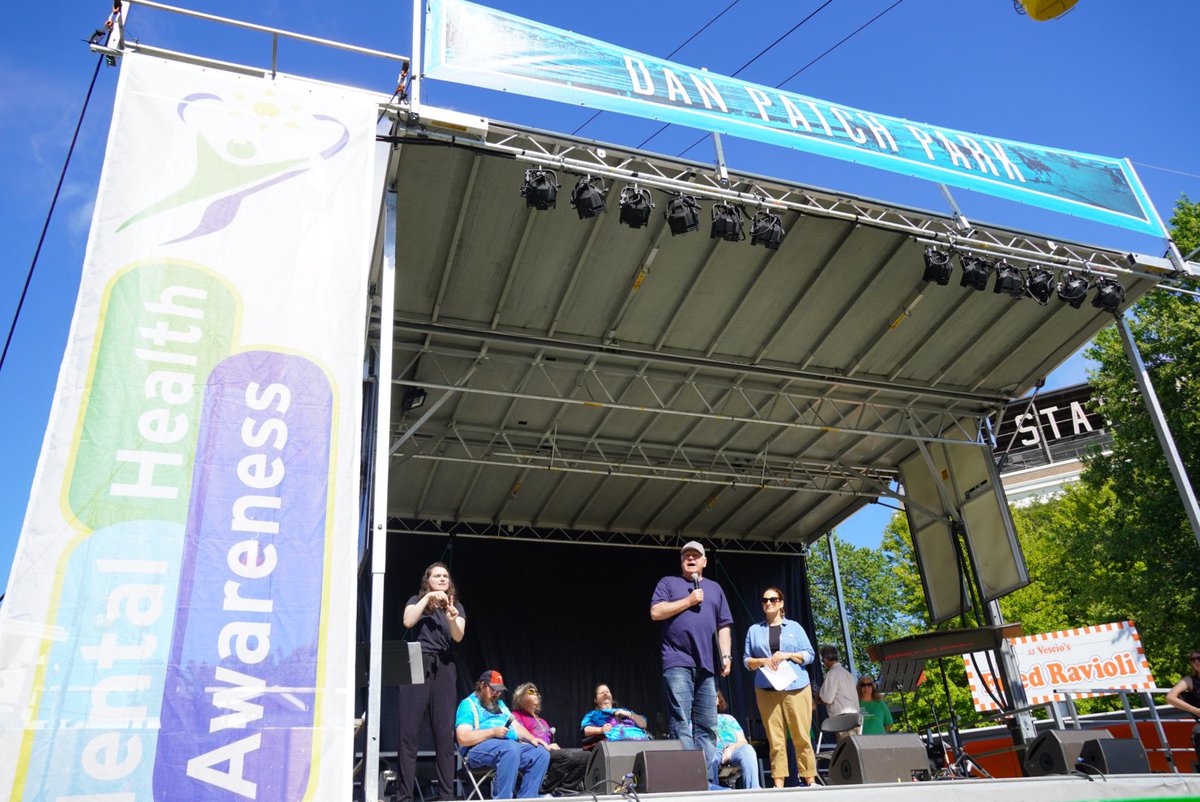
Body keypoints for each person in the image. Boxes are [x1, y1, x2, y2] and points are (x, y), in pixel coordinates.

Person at [650, 541, 733, 785]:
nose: (691, 558)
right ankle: (687, 778)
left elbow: (723, 625)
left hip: (707, 665)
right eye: (686, 555)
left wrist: (726, 655)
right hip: (677, 660)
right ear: (681, 561)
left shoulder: (715, 589)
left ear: (704, 561)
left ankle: (704, 780)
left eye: (696, 555)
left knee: (707, 725)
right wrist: (689, 600)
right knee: (680, 721)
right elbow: (656, 612)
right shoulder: (669, 583)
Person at [396, 562, 465, 802]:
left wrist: (452, 617)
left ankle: (447, 797)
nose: (443, 578)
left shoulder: (456, 607)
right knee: (409, 734)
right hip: (416, 661)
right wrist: (427, 599)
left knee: (444, 735)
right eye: (438, 575)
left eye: (446, 575)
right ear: (428, 580)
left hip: (444, 666)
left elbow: (458, 636)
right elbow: (407, 621)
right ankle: (404, 796)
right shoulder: (416, 600)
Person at [742, 586, 817, 787]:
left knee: (801, 735)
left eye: (773, 599)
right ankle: (778, 784)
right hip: (767, 689)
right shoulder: (754, 630)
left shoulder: (794, 628)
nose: (768, 603)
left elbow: (810, 655)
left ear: (781, 603)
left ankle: (810, 780)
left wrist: (788, 655)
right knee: (775, 739)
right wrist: (761, 661)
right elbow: (746, 661)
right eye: (765, 600)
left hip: (796, 687)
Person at [455, 670, 551, 799]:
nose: (497, 693)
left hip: (507, 747)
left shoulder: (499, 704)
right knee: (511, 749)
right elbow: (463, 738)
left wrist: (532, 738)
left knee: (540, 753)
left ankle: (528, 798)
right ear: (482, 685)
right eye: (494, 689)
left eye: (500, 690)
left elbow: (516, 726)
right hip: (477, 749)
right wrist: (492, 732)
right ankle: (503, 799)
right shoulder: (468, 704)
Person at [512, 682, 589, 795]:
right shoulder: (517, 715)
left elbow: (549, 740)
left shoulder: (542, 721)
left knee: (586, 756)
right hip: (534, 752)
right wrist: (546, 746)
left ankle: (563, 789)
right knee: (566, 757)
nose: (536, 694)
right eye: (531, 691)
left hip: (548, 752)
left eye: (537, 692)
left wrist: (553, 745)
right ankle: (543, 788)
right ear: (521, 696)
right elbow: (518, 738)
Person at [714, 691, 761, 789]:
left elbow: (743, 741)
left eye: (715, 696)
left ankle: (754, 791)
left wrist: (731, 748)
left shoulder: (729, 718)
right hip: (712, 749)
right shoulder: (696, 721)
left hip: (732, 748)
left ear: (719, 700)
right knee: (709, 756)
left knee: (748, 749)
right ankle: (714, 791)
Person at [579, 683, 651, 744]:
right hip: (616, 745)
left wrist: (629, 715)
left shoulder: (624, 711)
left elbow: (643, 724)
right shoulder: (593, 714)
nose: (605, 694)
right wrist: (601, 729)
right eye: (601, 693)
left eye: (607, 691)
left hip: (641, 742)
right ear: (596, 700)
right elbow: (586, 730)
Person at [1165, 648, 1200, 765]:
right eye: (1192, 659)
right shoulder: (1190, 680)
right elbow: (1170, 697)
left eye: (1198, 658)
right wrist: (1195, 710)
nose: (1196, 662)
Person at [818, 645, 859, 741]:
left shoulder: (832, 673)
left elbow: (827, 699)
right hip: (855, 719)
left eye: (823, 661)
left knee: (846, 752)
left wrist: (817, 697)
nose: (823, 663)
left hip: (843, 721)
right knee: (855, 751)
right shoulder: (848, 674)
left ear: (825, 659)